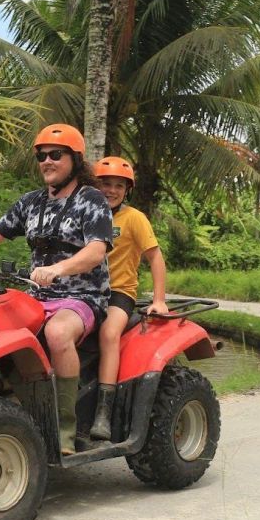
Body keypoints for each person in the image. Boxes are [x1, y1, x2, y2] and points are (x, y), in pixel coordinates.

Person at [0, 124, 114, 455]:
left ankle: (64, 429)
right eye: (41, 155)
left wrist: (58, 269)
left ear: (75, 159)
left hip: (82, 297)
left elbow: (96, 251)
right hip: (36, 298)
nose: (47, 161)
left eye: (56, 155)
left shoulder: (92, 199)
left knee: (57, 334)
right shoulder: (30, 203)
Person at [88, 156, 169, 441]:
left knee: (110, 333)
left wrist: (159, 299)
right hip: (81, 292)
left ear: (127, 190)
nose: (111, 190)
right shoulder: (83, 213)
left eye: (118, 186)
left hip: (118, 293)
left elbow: (155, 257)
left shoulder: (134, 218)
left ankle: (103, 413)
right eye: (105, 184)